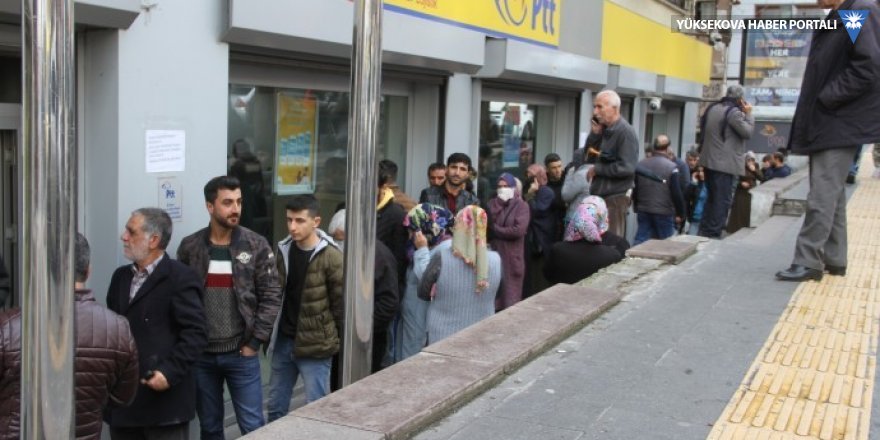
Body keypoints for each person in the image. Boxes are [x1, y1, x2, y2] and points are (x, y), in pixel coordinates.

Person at [776, 0, 880, 281]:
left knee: (821, 193)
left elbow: (868, 65)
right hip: (834, 119)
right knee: (831, 191)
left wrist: (829, 97)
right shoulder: (843, 13)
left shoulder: (857, 10)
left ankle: (807, 260)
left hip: (839, 120)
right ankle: (835, 258)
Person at [0, 233, 139, 440]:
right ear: (88, 270)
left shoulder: (7, 326)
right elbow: (122, 398)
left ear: (39, 270)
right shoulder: (118, 328)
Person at [177, 176, 282, 439]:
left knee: (253, 426)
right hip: (202, 356)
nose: (235, 209)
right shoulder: (190, 247)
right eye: (227, 203)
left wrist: (254, 343)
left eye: (239, 202)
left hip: (241, 354)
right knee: (210, 427)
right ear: (210, 206)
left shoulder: (256, 244)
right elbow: (180, 299)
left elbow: (272, 295)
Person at [105, 208, 208, 440]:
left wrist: (169, 372)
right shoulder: (120, 277)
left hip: (163, 408)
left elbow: (196, 334)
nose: (124, 236)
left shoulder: (181, 277)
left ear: (153, 240)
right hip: (124, 403)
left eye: (131, 232)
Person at [268, 195, 344, 420]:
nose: (292, 227)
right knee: (275, 407)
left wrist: (328, 338)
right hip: (284, 341)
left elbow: (340, 305)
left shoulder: (331, 256)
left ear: (316, 222)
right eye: (289, 220)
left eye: (299, 220)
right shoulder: (283, 249)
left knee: (316, 409)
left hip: (315, 346)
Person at [418, 205, 502, 345]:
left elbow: (423, 292)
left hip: (442, 336)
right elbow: (496, 294)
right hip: (482, 338)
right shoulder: (496, 260)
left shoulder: (442, 257)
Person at [392, 203, 454, 363]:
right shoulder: (428, 247)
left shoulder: (444, 250)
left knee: (412, 361)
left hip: (422, 320)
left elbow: (426, 278)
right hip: (412, 316)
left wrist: (422, 250)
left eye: (413, 230)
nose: (410, 235)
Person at [697, 84, 755, 238]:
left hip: (709, 162)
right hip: (724, 165)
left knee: (712, 198)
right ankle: (713, 233)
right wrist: (749, 114)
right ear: (741, 99)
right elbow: (748, 132)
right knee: (722, 200)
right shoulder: (733, 113)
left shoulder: (713, 108)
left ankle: (705, 230)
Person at [585, 90, 639, 238]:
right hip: (600, 196)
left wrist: (598, 169)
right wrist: (595, 135)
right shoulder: (604, 130)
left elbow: (627, 167)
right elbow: (588, 158)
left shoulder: (625, 132)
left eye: (600, 107)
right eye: (594, 107)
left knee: (611, 242)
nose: (595, 112)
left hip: (615, 197)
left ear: (614, 108)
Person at [544, 197, 627, 285]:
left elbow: (548, 275)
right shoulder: (614, 251)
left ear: (576, 217)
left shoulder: (558, 250)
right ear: (604, 216)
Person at [487, 173, 530, 311]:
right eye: (499, 186)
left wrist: (496, 230)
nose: (502, 189)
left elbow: (518, 231)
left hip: (512, 259)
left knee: (510, 300)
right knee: (492, 298)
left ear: (513, 187)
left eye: (506, 186)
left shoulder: (521, 206)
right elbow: (486, 226)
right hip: (494, 256)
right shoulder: (491, 204)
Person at [631, 141, 686, 245]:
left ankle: (633, 254)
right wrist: (680, 213)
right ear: (667, 149)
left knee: (641, 240)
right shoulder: (671, 167)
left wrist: (636, 206)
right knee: (666, 244)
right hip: (664, 211)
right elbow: (676, 193)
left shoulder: (641, 164)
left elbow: (636, 188)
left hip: (644, 209)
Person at [524, 164, 557, 297]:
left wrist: (530, 196)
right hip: (532, 238)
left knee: (539, 275)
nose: (528, 178)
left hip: (542, 238)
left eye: (531, 175)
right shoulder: (530, 190)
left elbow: (537, 211)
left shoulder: (546, 192)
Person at [727, 152, 764, 234]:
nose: (750, 162)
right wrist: (741, 183)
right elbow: (734, 180)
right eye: (749, 160)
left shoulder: (755, 166)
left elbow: (761, 177)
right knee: (739, 211)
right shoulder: (740, 166)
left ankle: (745, 229)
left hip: (751, 192)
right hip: (741, 192)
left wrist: (754, 170)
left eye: (752, 160)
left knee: (747, 212)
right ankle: (735, 229)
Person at [543, 153, 567, 241]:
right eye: (554, 168)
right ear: (547, 169)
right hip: (550, 227)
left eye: (559, 166)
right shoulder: (543, 184)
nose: (558, 170)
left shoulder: (568, 180)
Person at [685, 166, 709, 236]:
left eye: (702, 171)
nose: (701, 174)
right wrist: (693, 182)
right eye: (699, 171)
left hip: (706, 219)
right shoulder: (696, 183)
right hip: (695, 217)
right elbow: (687, 196)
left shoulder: (710, 185)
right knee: (691, 238)